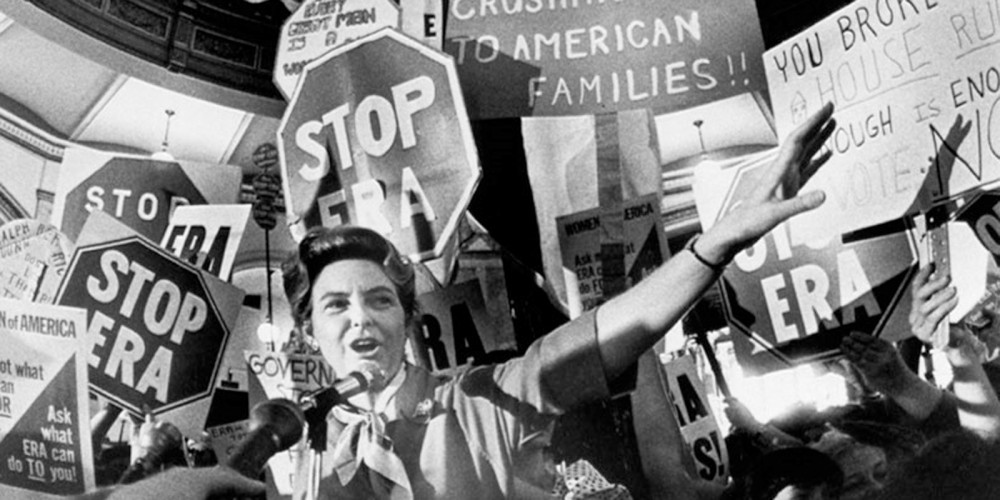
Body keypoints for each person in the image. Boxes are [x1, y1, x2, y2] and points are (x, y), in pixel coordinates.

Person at [279, 102, 837, 500]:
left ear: (405, 316)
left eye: (380, 300)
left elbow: (604, 335)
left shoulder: (479, 403)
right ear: (308, 330)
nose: (361, 318)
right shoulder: (304, 447)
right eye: (336, 305)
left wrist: (713, 246)